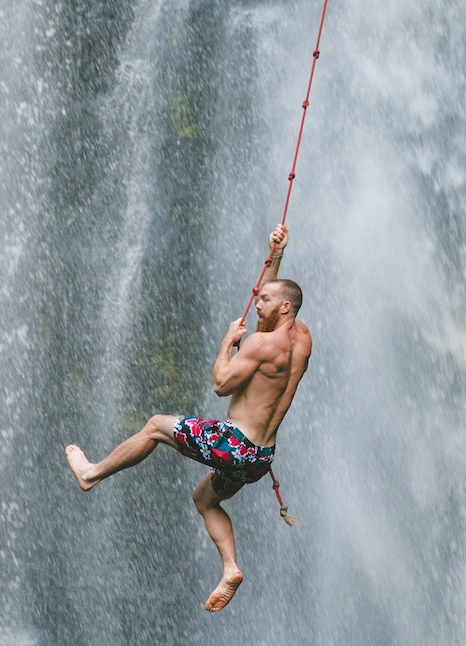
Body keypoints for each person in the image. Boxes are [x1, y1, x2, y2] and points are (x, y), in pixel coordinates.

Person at [66, 224, 313, 612]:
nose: (256, 302)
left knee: (155, 425)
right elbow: (274, 306)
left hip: (234, 444)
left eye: (263, 299)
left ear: (283, 307)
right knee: (204, 499)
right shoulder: (302, 337)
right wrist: (276, 255)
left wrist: (226, 343)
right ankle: (230, 568)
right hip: (260, 458)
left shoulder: (261, 344)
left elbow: (221, 385)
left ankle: (91, 474)